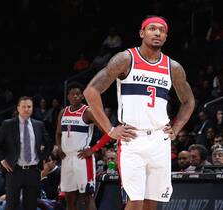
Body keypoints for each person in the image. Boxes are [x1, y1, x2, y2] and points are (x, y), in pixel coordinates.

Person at [83, 15, 195, 210]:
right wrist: (110, 129)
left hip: (159, 139)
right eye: (152, 28)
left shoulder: (173, 67)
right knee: (135, 202)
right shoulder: (126, 59)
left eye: (161, 30)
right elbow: (90, 91)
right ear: (142, 33)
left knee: (152, 203)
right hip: (132, 138)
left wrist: (176, 129)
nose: (157, 33)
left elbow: (188, 101)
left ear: (166, 36)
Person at [0, 96, 52, 210]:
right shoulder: (8, 124)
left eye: (29, 106)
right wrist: (2, 160)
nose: (26, 109)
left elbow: (49, 143)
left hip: (33, 170)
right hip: (14, 170)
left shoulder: (39, 124)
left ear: (32, 108)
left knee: (31, 206)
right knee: (12, 205)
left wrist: (43, 157)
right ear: (18, 108)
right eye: (23, 106)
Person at [56, 82, 111, 210]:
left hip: (82, 158)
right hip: (67, 158)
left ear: (82, 96)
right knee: (69, 198)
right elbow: (58, 133)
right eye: (72, 94)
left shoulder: (88, 112)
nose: (75, 96)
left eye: (78, 94)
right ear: (68, 96)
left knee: (87, 197)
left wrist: (93, 149)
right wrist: (59, 147)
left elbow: (108, 131)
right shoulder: (63, 112)